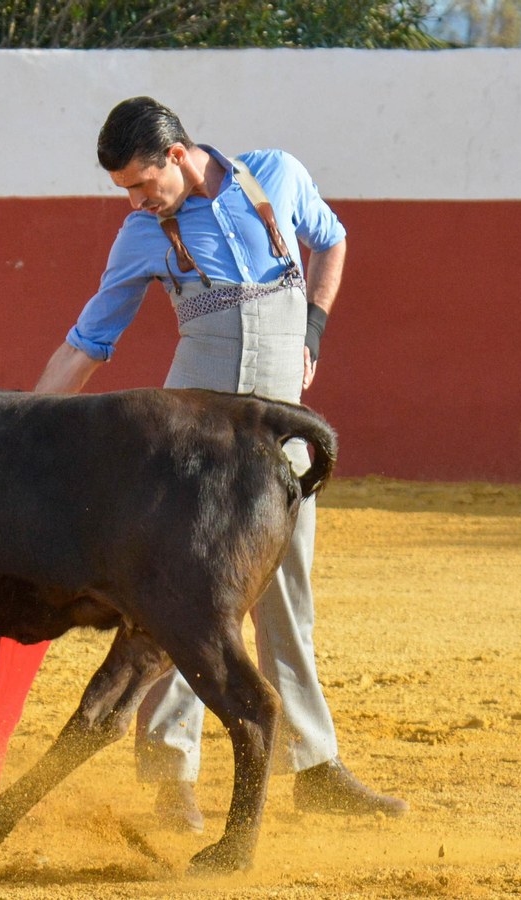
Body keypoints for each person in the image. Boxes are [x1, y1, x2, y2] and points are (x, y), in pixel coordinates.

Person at [31, 96, 408, 833]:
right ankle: (171, 778)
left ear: (177, 155)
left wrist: (315, 326)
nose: (136, 203)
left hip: (282, 439)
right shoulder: (142, 235)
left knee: (286, 591)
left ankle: (315, 766)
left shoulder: (278, 176)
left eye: (142, 185)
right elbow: (87, 342)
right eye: (125, 192)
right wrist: (25, 428)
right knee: (183, 600)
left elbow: (331, 238)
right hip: (196, 449)